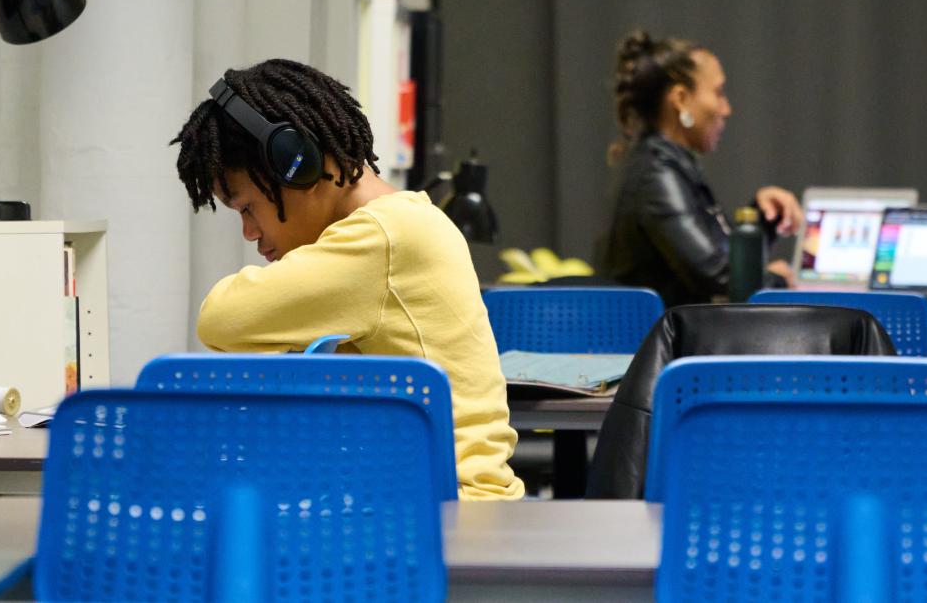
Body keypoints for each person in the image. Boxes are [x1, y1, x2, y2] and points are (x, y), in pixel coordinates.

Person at [173, 58, 524, 501]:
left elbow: (220, 318)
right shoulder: (400, 222)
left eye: (246, 208)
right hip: (431, 502)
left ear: (293, 165)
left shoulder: (383, 238)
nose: (250, 232)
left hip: (449, 512)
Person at [598, 30, 803, 308]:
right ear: (681, 99)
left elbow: (721, 262)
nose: (726, 109)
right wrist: (776, 281)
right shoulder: (657, 173)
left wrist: (761, 220)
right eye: (718, 93)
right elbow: (721, 278)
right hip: (660, 348)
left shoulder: (667, 163)